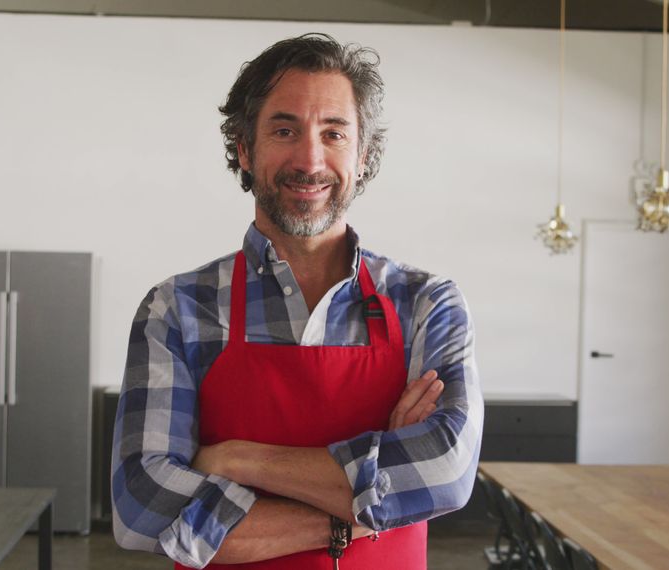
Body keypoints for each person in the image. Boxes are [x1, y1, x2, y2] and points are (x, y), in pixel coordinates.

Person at [111, 33, 483, 569]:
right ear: (244, 148)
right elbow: (141, 506)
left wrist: (240, 460)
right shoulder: (178, 308)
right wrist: (356, 513)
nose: (310, 160)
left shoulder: (427, 304)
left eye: (334, 133)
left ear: (363, 156)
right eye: (285, 130)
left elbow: (445, 472)